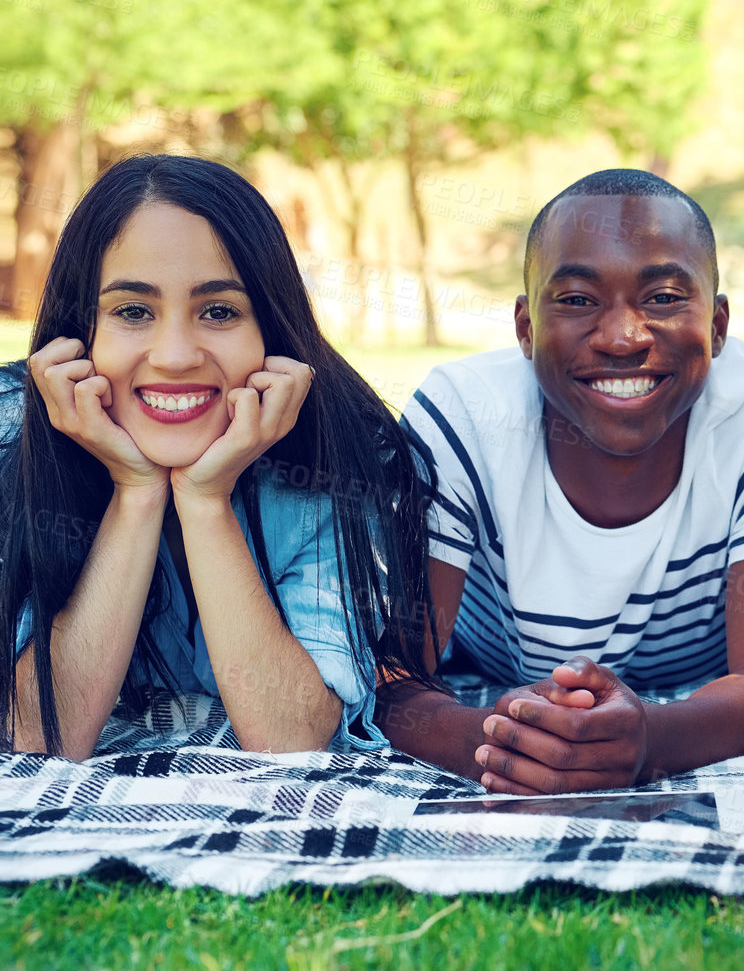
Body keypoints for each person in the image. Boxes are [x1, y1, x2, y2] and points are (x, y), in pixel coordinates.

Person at [382, 169, 744, 793]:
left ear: (719, 325)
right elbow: (392, 673)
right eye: (577, 300)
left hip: (685, 688)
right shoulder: (462, 413)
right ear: (525, 328)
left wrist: (647, 740)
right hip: (490, 669)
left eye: (665, 298)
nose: (623, 337)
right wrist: (504, 744)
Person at [1, 154, 435, 759]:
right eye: (132, 311)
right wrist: (136, 490)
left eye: (219, 311)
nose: (175, 355)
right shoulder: (13, 435)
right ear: (79, 334)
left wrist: (206, 501)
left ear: (271, 333)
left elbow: (289, 736)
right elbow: (42, 737)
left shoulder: (343, 457)